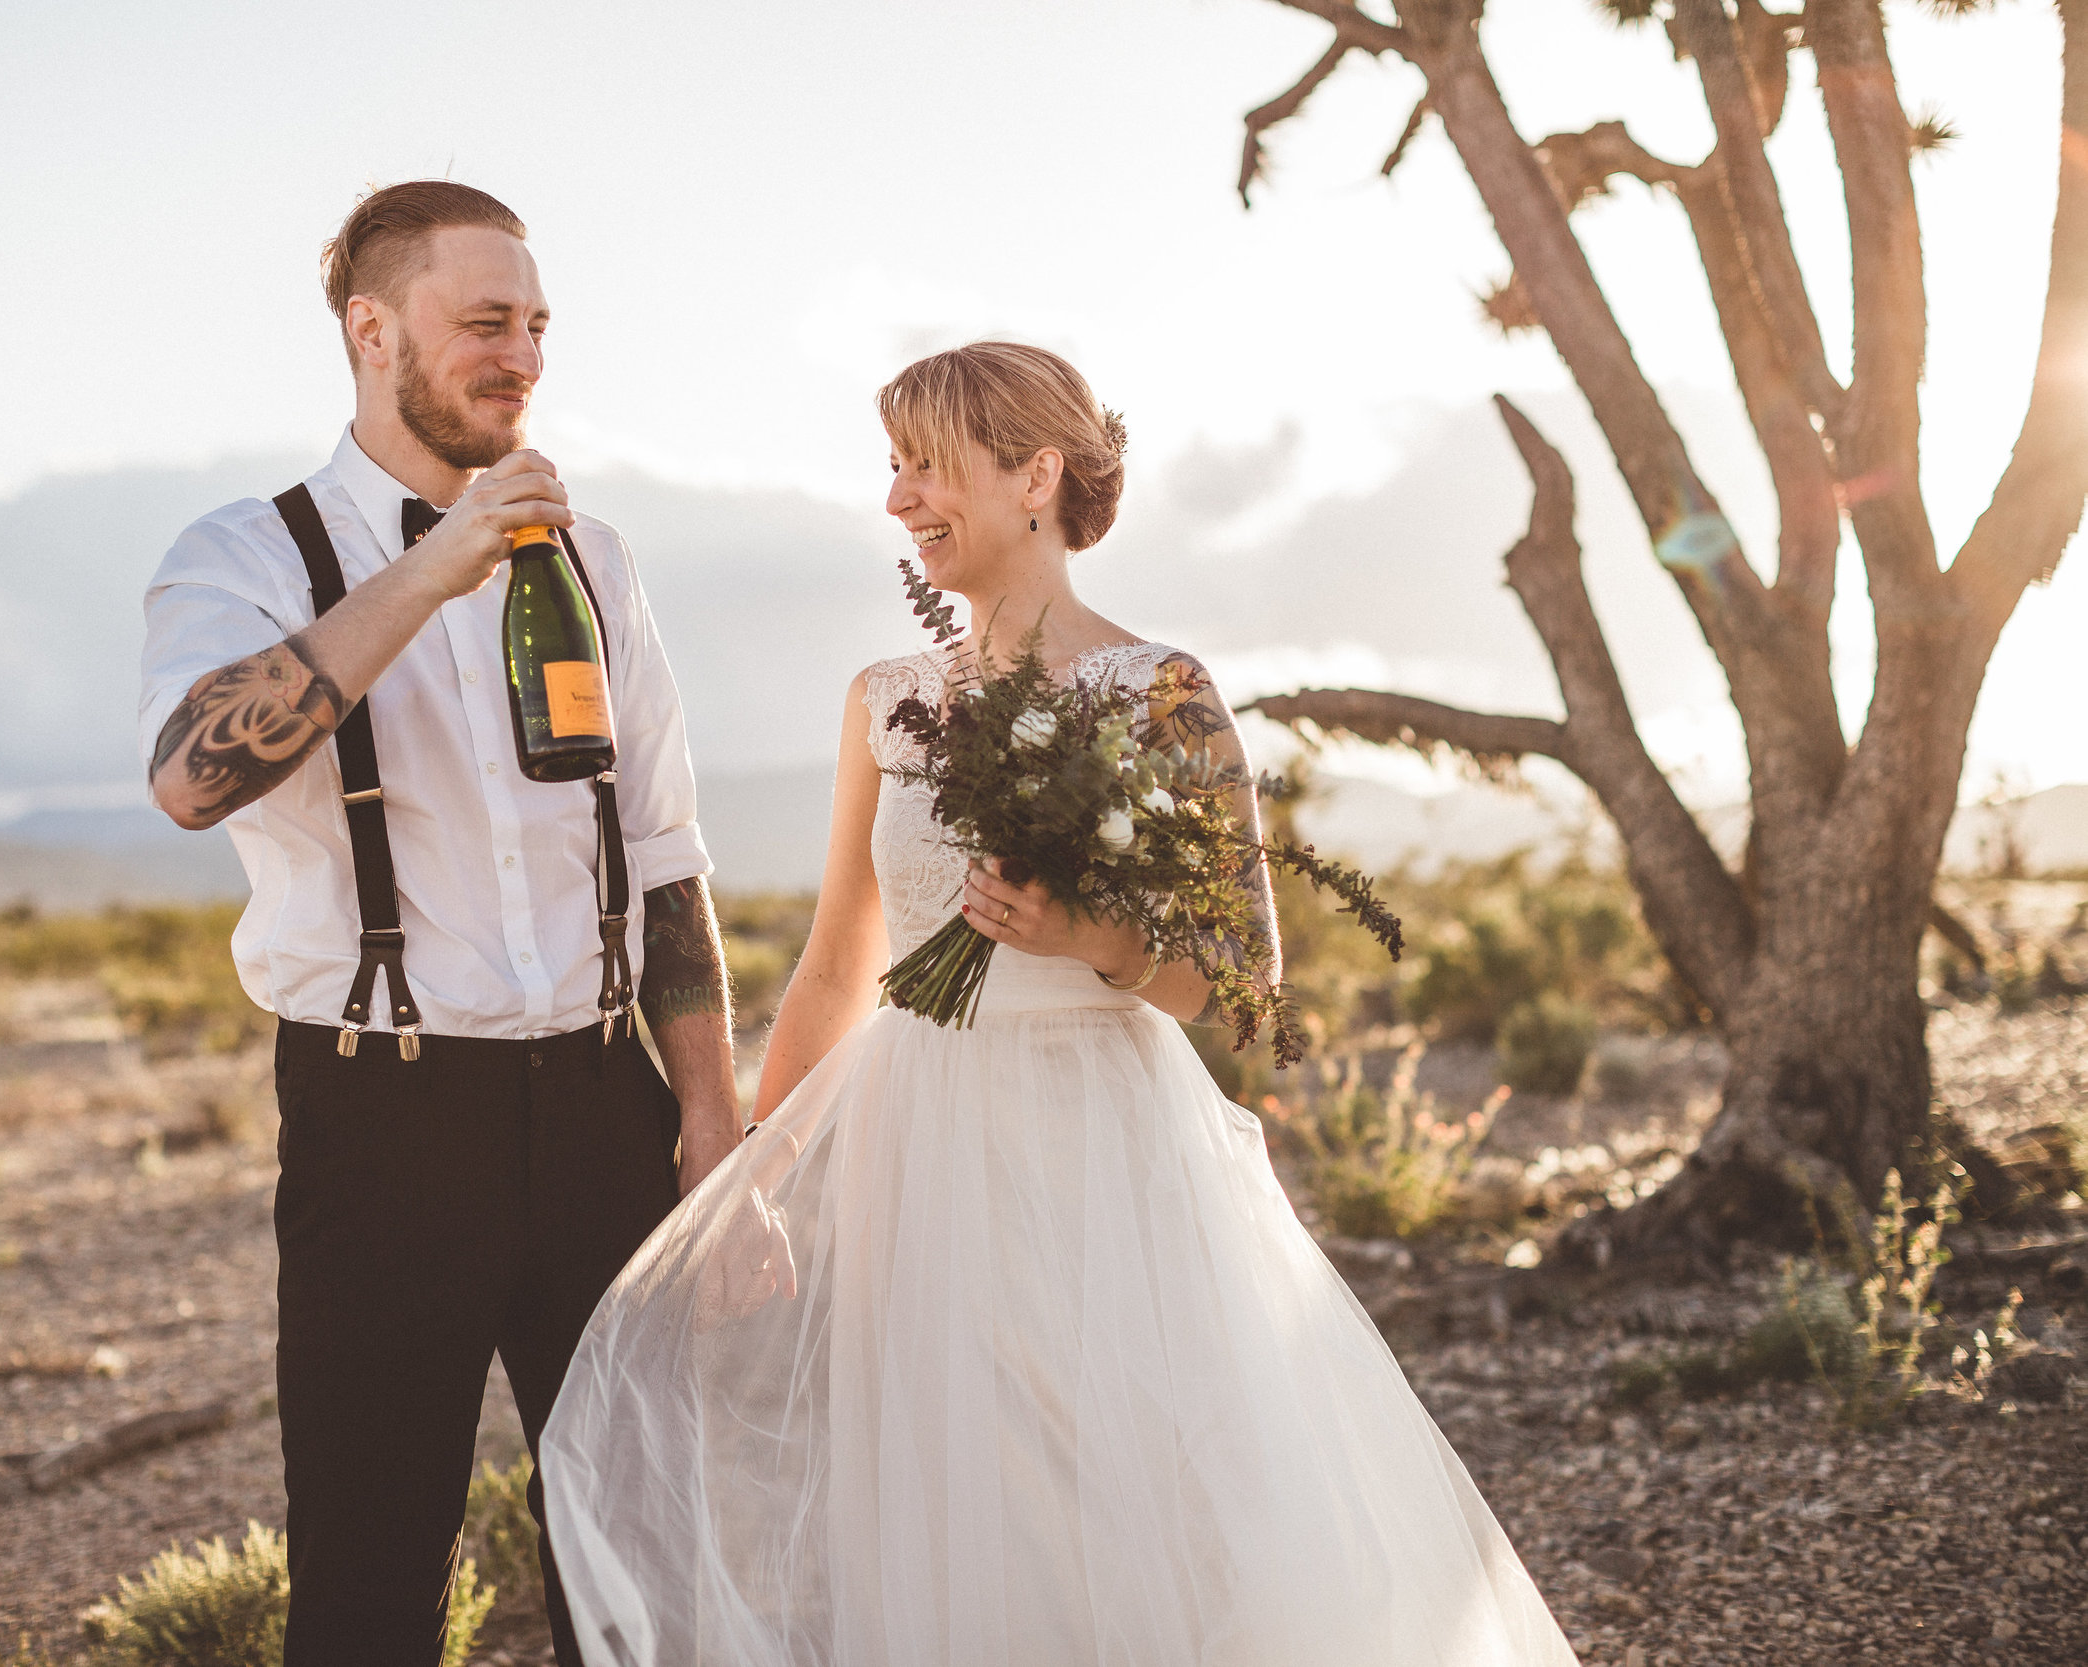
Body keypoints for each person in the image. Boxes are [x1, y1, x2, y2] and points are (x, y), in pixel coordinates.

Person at [539, 342, 1580, 1665]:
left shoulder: (1164, 693)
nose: (899, 497)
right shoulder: (885, 701)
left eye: (927, 464)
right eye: (894, 466)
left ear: (1038, 474)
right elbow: (833, 966)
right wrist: (753, 1176)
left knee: (1133, 1496)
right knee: (948, 1504)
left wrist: (1084, 933)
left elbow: (1244, 982)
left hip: (1103, 1149)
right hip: (914, 1157)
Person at [137, 179, 744, 1667]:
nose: (520, 356)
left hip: (609, 1106)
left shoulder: (596, 558)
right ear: (371, 329)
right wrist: (431, 570)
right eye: (484, 323)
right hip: (382, 1113)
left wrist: (714, 1117)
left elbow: (664, 850)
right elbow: (188, 776)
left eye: (535, 326)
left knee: (641, 1557)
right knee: (369, 1577)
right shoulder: (244, 552)